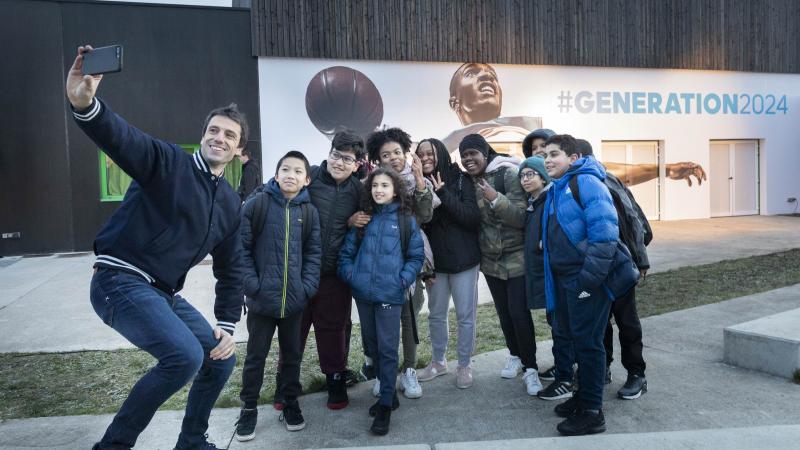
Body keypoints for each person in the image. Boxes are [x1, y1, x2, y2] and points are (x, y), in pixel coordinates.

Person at [67, 45, 244, 450]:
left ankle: (192, 441)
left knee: (221, 357)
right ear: (203, 136)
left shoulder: (231, 204)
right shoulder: (168, 162)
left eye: (229, 135)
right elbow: (122, 139)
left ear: (238, 151)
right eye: (213, 130)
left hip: (162, 293)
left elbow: (232, 270)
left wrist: (228, 325)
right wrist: (85, 104)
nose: (220, 137)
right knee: (184, 357)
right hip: (119, 280)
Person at [540, 134, 636, 436]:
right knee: (577, 340)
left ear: (574, 158)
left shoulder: (587, 183)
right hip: (567, 280)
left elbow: (605, 234)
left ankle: (593, 412)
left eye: (554, 154)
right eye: (545, 155)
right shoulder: (559, 187)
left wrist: (587, 282)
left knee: (589, 344)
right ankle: (583, 397)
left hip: (585, 279)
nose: (547, 160)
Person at [235, 151, 321, 439]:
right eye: (285, 169)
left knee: (292, 356)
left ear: (306, 179)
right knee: (255, 357)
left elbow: (313, 253)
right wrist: (252, 285)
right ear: (276, 173)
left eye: (298, 171)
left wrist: (306, 287)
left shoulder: (308, 212)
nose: (290, 175)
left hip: (294, 301)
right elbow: (241, 249)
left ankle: (290, 402)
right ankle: (248, 408)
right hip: (261, 301)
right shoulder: (257, 204)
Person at [338, 168, 425, 435]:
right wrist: (353, 277)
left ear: (395, 189)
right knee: (373, 347)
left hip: (390, 295)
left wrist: (402, 279)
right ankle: (390, 393)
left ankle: (385, 406)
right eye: (375, 185)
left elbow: (415, 257)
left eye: (385, 185)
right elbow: (346, 253)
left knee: (388, 349)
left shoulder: (405, 220)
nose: (379, 190)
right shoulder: (364, 220)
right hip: (364, 295)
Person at [459, 133, 543, 396]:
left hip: (516, 256)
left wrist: (496, 198)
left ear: (485, 153)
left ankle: (531, 368)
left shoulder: (506, 173)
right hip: (490, 259)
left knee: (519, 313)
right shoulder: (469, 181)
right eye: (463, 156)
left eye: (473, 153)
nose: (468, 159)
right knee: (504, 314)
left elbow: (520, 217)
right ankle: (515, 355)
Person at [365, 127, 436, 399]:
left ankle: (409, 370)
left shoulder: (418, 181)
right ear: (378, 160)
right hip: (381, 261)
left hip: (411, 257)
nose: (393, 158)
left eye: (397, 152)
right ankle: (387, 373)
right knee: (384, 321)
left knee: (409, 318)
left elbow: (426, 215)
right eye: (386, 154)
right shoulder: (373, 183)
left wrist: (419, 182)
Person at [576, 139, 649, 400]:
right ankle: (603, 368)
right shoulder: (575, 184)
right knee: (601, 323)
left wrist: (640, 261)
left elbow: (632, 221)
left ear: (580, 157)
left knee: (626, 322)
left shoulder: (603, 181)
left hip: (618, 264)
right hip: (596, 266)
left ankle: (636, 375)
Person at [299, 131, 367, 409]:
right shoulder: (310, 175)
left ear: (357, 164)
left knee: (333, 328)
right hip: (301, 269)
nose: (339, 162)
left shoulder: (359, 191)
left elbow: (368, 222)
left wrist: (353, 223)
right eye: (336, 155)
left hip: (335, 273)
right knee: (296, 327)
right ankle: (285, 381)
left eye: (347, 158)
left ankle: (335, 379)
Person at [415, 138, 482, 388]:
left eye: (430, 153)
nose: (425, 158)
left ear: (441, 153)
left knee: (466, 316)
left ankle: (464, 364)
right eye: (420, 154)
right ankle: (438, 361)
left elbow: (471, 218)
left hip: (465, 260)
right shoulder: (417, 183)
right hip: (437, 265)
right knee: (436, 314)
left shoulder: (461, 179)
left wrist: (442, 192)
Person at [442, 63, 542, 159]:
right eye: (470, 73)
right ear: (454, 103)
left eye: (493, 75)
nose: (487, 75)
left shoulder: (526, 137)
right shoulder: (447, 152)